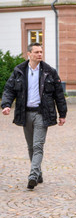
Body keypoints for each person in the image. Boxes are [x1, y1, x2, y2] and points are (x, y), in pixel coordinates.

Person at [1, 42, 67, 190]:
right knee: (31, 146)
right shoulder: (19, 71)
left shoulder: (49, 71)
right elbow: (9, 89)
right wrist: (6, 105)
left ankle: (32, 175)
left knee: (38, 145)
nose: (40, 54)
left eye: (41, 52)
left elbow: (59, 95)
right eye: (36, 52)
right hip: (25, 113)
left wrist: (62, 114)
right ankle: (38, 172)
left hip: (41, 113)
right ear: (29, 54)